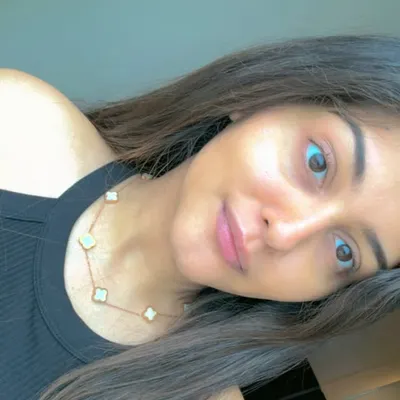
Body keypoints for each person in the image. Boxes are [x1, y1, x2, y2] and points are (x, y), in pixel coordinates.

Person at [1, 34, 399, 400]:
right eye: (317, 162)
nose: (286, 233)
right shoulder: (20, 123)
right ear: (260, 99)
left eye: (344, 251)